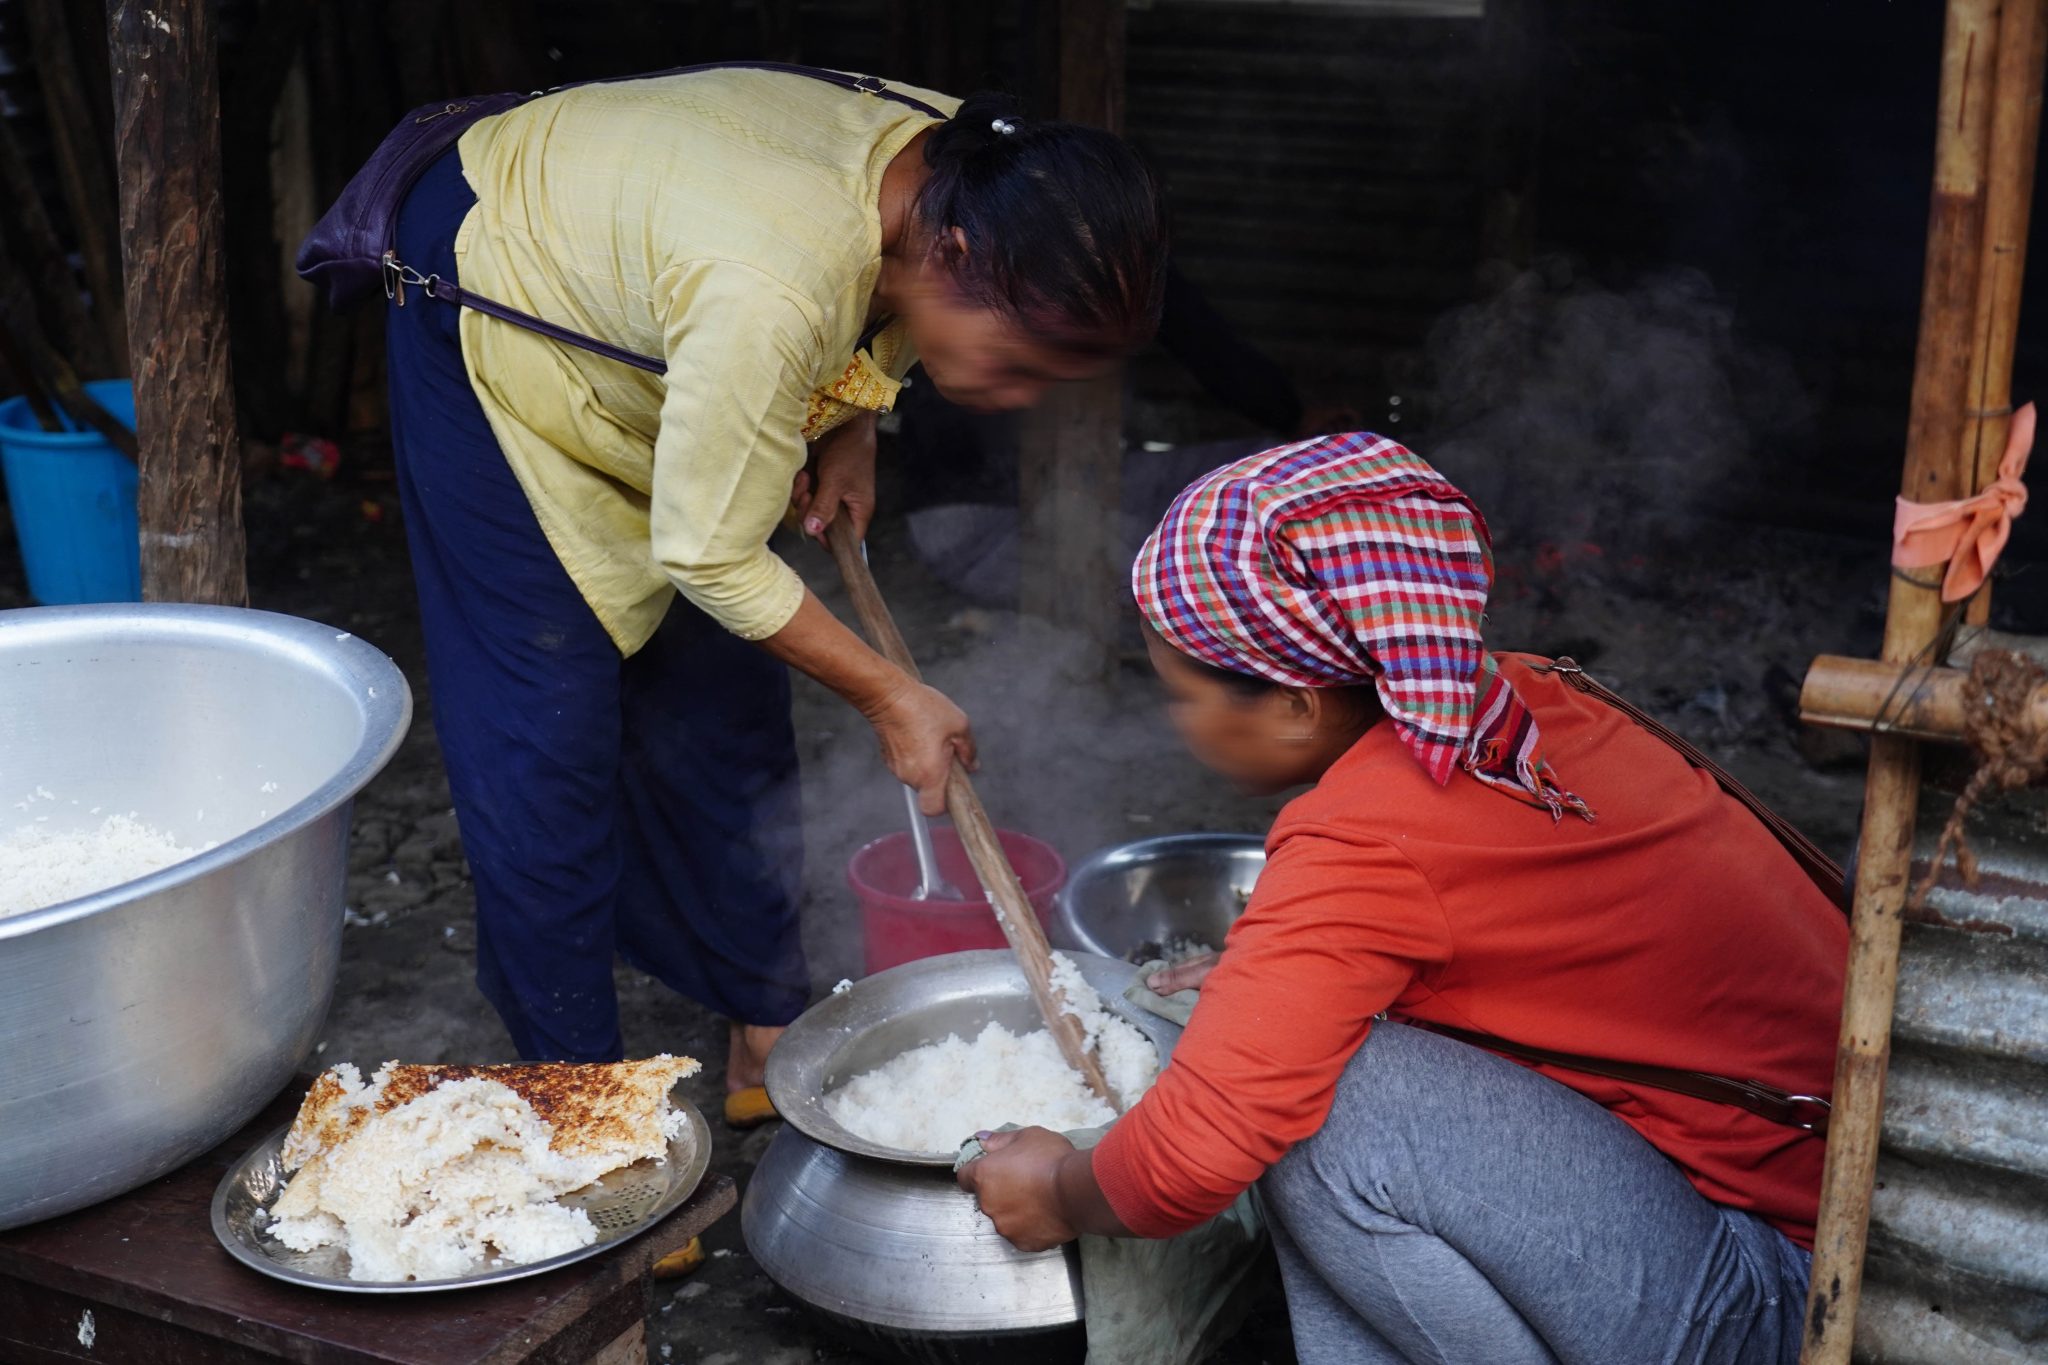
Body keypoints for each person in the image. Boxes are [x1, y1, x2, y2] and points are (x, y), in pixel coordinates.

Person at [378, 66, 1168, 1121]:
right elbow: (706, 554)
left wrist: (852, 423)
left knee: (730, 695)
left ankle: (762, 1020)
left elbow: (869, 309)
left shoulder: (974, 168)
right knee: (545, 733)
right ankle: (580, 1116)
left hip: (668, 286)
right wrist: (891, 695)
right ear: (960, 258)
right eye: (1017, 363)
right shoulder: (773, 283)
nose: (1016, 398)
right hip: (495, 281)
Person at [956, 432, 1845, 1364]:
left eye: (1182, 694)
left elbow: (1192, 1156)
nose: (1177, 724)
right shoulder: (1529, 696)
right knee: (1308, 1060)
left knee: (1324, 1111)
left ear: (1298, 704)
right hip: (1826, 1191)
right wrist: (1283, 984)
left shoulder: (1361, 839)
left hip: (1787, 1293)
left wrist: (1058, 1186)